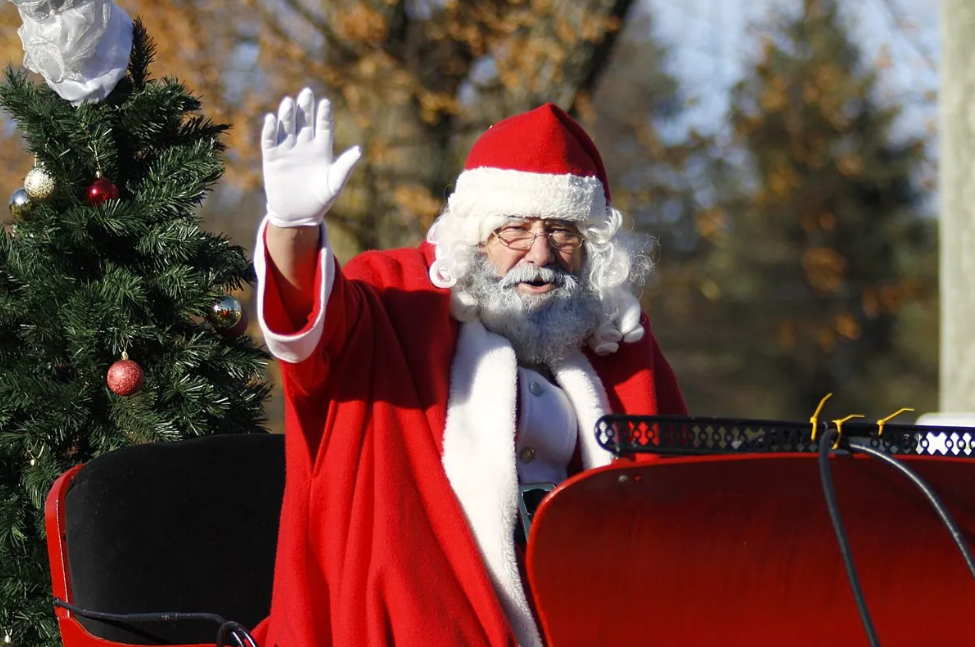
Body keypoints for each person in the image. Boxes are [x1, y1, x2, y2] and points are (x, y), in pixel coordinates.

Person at [251, 88, 688, 647]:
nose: (540, 254)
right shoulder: (399, 302)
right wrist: (293, 227)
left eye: (562, 232)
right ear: (476, 238)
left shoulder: (617, 343)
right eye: (516, 230)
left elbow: (683, 494)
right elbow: (309, 330)